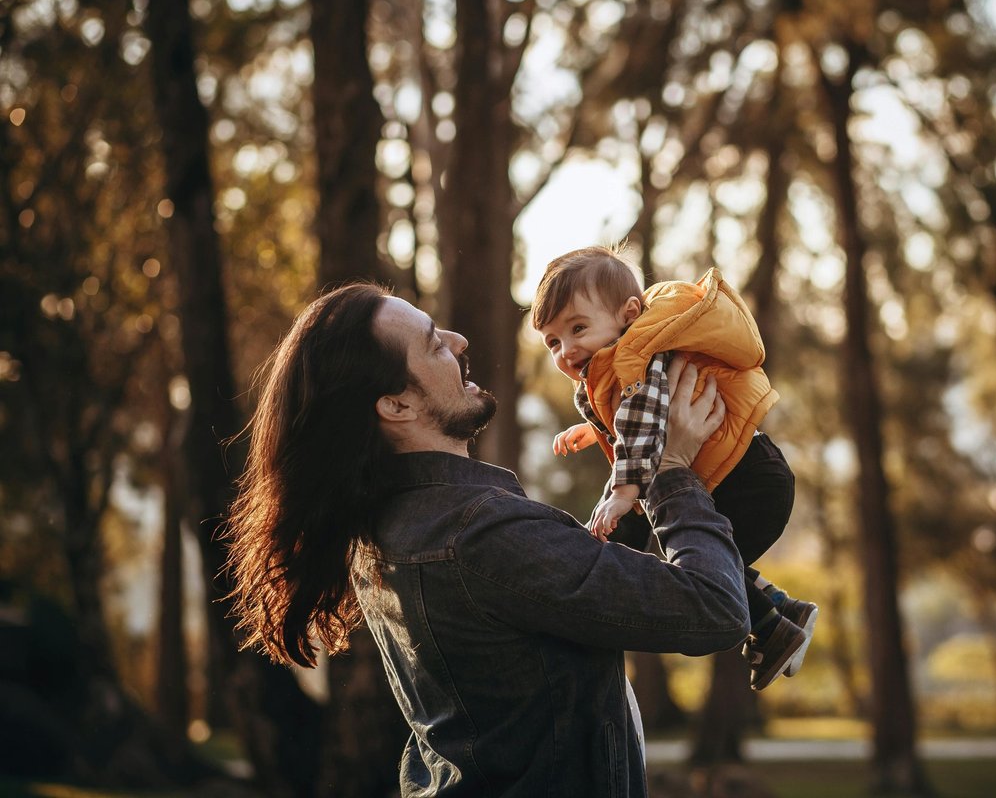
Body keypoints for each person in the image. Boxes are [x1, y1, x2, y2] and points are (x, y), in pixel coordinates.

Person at [223, 282, 751, 797]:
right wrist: (672, 472)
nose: (458, 342)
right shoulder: (484, 535)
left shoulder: (383, 531)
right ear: (396, 406)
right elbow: (716, 609)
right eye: (433, 343)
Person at [530, 246, 819, 691]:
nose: (566, 350)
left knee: (681, 564)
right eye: (553, 341)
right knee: (685, 553)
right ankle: (782, 610)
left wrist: (623, 494)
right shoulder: (621, 366)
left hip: (748, 482)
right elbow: (637, 414)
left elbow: (643, 422)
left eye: (578, 328)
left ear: (628, 315)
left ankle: (774, 629)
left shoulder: (635, 358)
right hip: (748, 475)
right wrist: (596, 430)